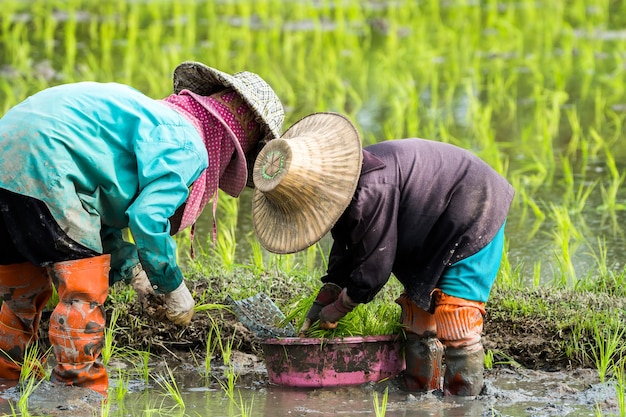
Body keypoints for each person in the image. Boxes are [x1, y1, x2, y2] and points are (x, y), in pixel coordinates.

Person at [0, 61, 284, 395]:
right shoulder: (189, 144)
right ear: (235, 146)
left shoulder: (152, 119)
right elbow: (148, 218)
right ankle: (78, 396)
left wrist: (133, 269)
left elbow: (90, 210)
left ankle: (6, 385)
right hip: (48, 162)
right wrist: (171, 286)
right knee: (83, 292)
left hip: (9, 151)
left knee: (20, 293)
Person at [250, 112, 514, 397]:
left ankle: (465, 401)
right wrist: (328, 292)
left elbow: (375, 269)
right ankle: (420, 394)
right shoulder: (345, 186)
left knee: (456, 320)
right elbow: (349, 243)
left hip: (474, 206)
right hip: (432, 227)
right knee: (417, 319)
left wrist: (339, 307)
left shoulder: (371, 188)